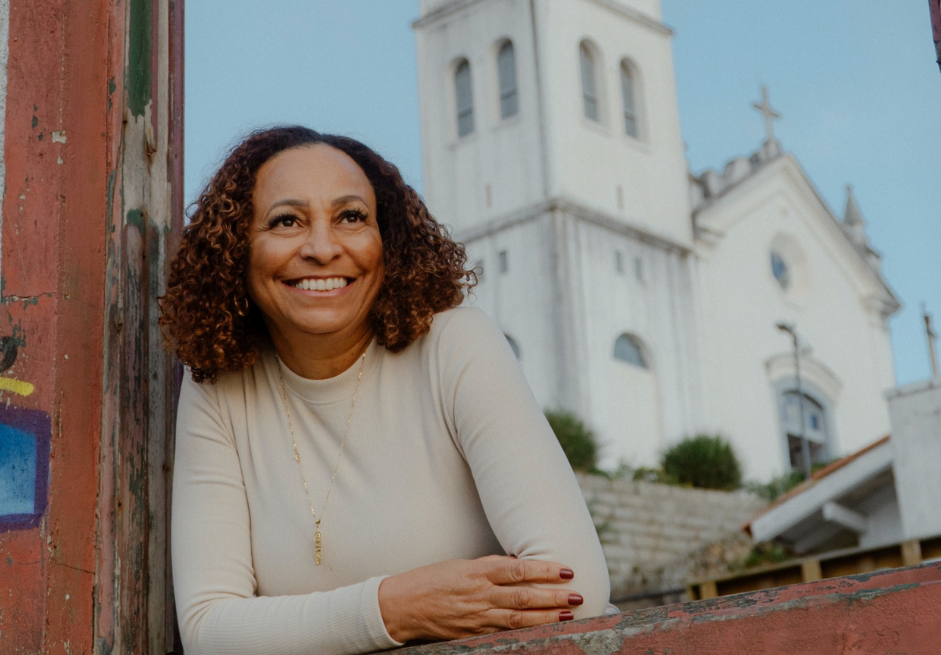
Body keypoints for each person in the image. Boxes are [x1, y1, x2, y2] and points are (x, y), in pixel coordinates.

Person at [160, 126, 611, 655]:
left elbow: (574, 588)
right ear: (238, 248)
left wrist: (295, 630)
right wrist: (394, 607)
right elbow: (210, 631)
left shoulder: (456, 345)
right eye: (287, 221)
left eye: (351, 217)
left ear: (387, 240)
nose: (324, 248)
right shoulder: (217, 384)